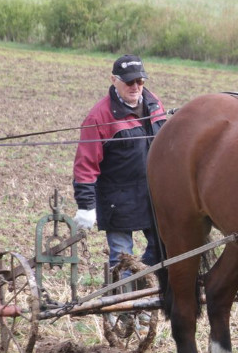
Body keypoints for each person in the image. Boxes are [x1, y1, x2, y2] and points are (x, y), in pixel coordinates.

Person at [72, 54, 168, 284]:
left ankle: (139, 286)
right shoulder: (99, 117)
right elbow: (86, 164)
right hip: (117, 199)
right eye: (129, 82)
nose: (135, 87)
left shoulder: (154, 104)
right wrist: (86, 205)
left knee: (162, 249)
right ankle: (123, 309)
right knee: (122, 258)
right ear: (114, 80)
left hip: (152, 196)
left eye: (140, 81)